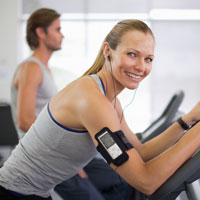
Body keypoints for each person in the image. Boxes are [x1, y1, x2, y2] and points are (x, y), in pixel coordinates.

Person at [1, 19, 200, 200]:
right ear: (107, 52)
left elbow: (141, 151)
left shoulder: (109, 100)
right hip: (14, 192)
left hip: (35, 193)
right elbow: (145, 182)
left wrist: (188, 120)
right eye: (132, 54)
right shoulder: (92, 100)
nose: (141, 66)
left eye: (148, 59)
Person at [9, 7, 129, 200]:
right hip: (46, 157)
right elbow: (24, 120)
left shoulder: (43, 69)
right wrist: (72, 162)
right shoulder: (31, 68)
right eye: (57, 29)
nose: (62, 35)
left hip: (59, 150)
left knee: (121, 182)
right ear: (41, 33)